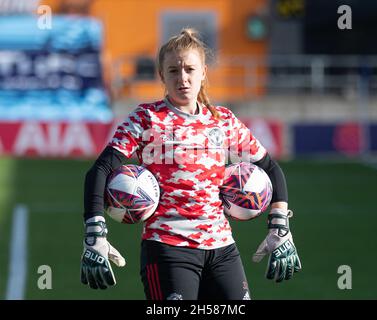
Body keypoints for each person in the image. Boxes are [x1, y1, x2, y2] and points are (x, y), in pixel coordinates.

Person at [80, 28, 301, 300]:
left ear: (203, 72)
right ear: (162, 75)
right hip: (167, 249)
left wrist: (280, 227)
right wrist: (95, 233)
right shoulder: (147, 118)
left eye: (189, 69)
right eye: (173, 71)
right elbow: (99, 170)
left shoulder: (223, 120)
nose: (182, 78)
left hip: (222, 249)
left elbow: (271, 169)